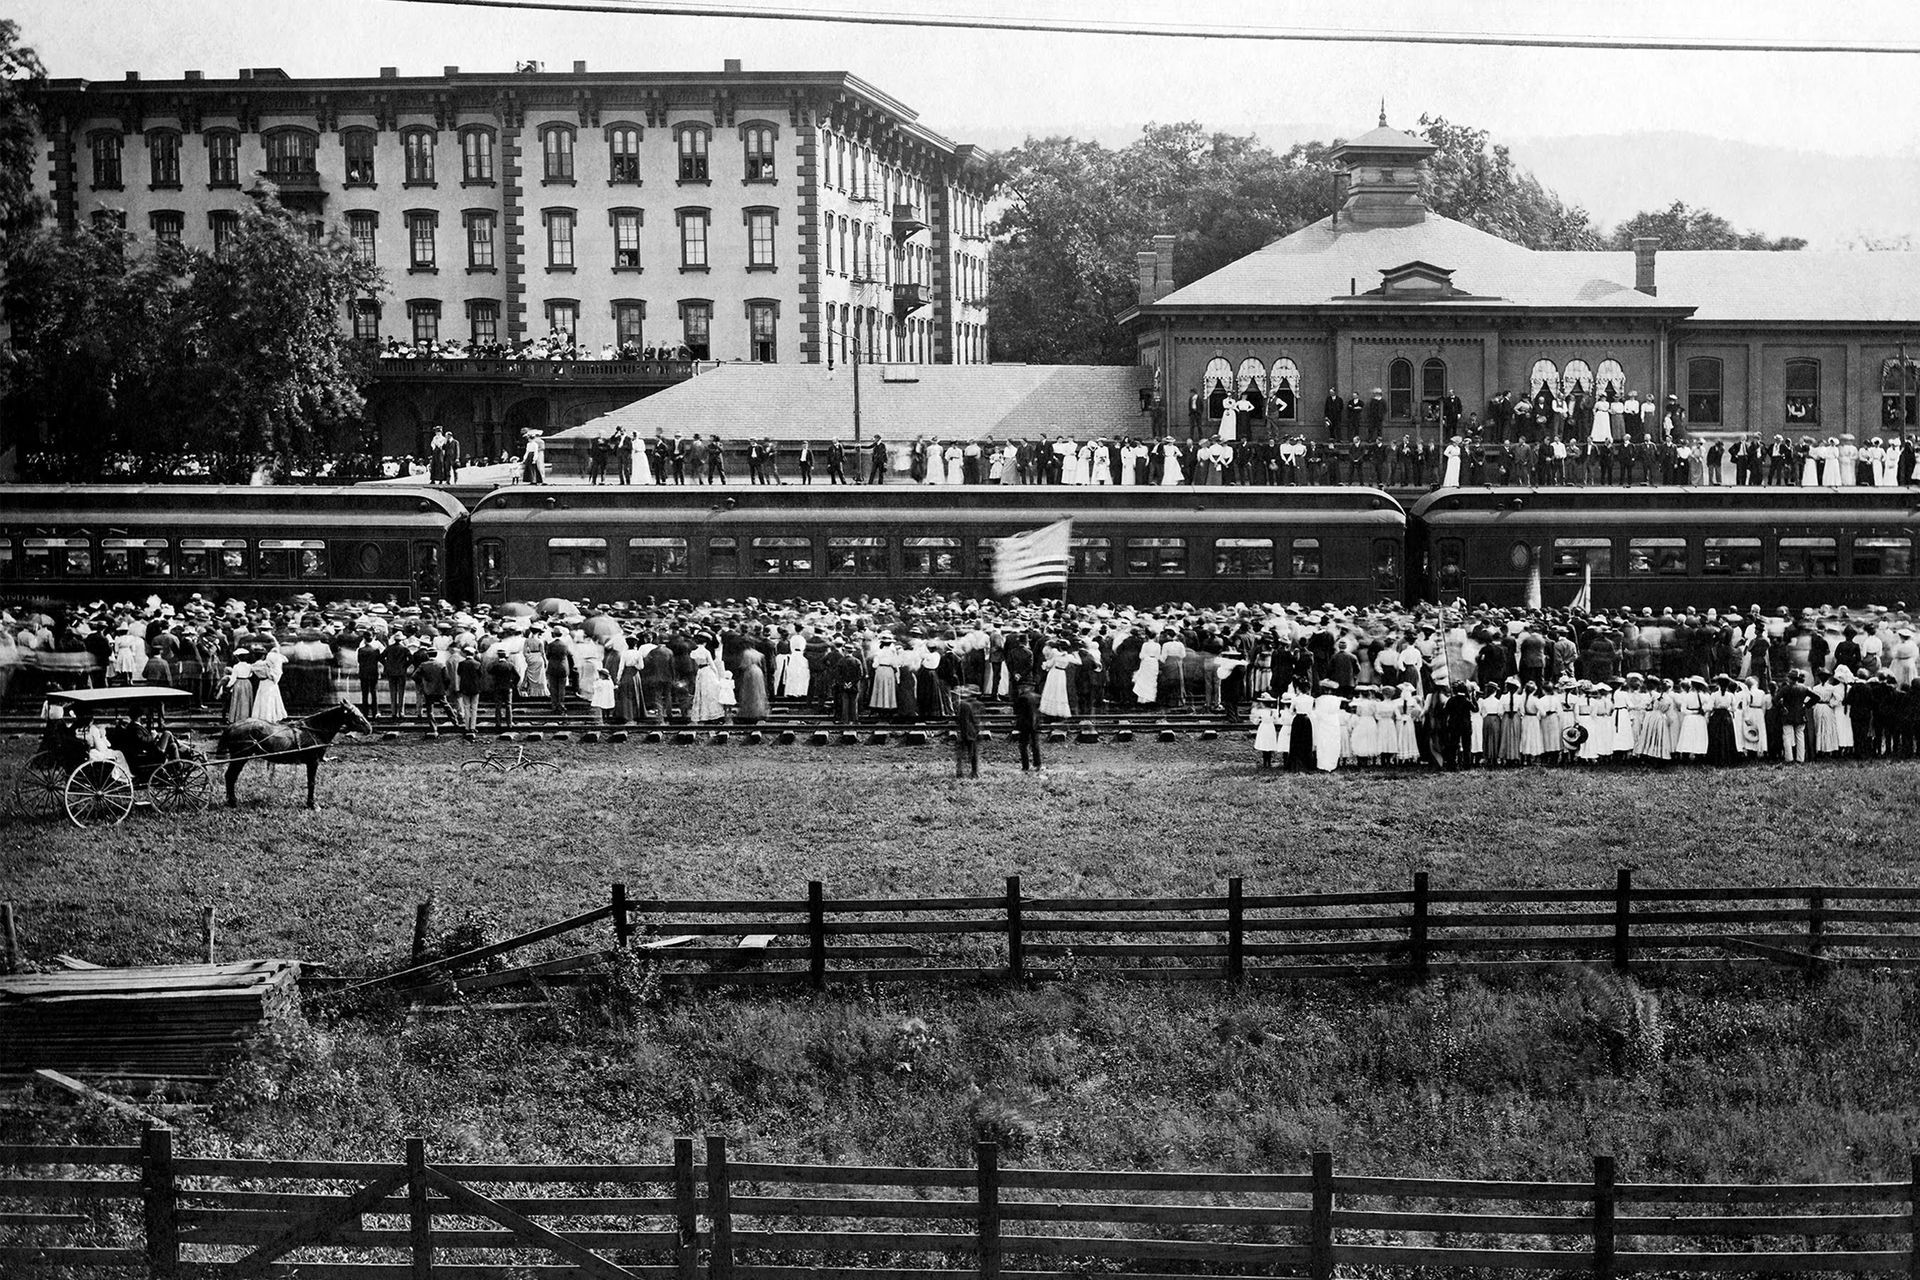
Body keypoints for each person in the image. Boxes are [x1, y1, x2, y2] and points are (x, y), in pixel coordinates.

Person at [1011, 678, 1043, 771]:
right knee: (1035, 744)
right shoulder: (1038, 697)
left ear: (1024, 687)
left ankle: (1025, 766)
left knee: (1023, 745)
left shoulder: (1022, 698)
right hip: (1036, 723)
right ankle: (1037, 763)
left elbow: (1017, 711)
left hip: (1025, 724)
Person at [953, 684, 982, 777]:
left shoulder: (964, 705)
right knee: (972, 753)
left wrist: (964, 733)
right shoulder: (976, 704)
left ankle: (962, 772)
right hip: (972, 731)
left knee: (963, 753)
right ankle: (973, 772)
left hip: (966, 732)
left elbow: (964, 720)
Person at [1251, 691, 1281, 769]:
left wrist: (1259, 720)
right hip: (1270, 727)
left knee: (1265, 744)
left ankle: (1265, 762)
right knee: (1269, 744)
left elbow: (1255, 721)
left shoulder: (1260, 711)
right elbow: (1276, 720)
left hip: (1264, 727)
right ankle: (1268, 762)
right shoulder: (1273, 711)